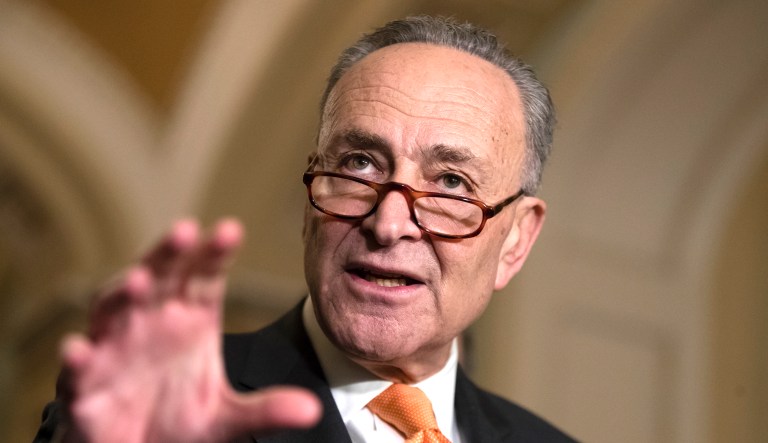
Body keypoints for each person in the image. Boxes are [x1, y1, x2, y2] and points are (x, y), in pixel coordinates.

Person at [35, 15, 574, 442]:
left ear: (516, 240)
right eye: (360, 164)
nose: (387, 224)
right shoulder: (161, 404)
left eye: (452, 183)